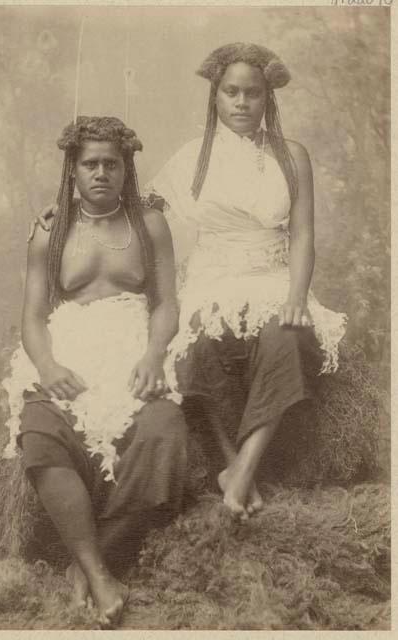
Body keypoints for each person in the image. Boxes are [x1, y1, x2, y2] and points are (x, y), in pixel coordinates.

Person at [30, 43, 346, 522]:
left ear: (268, 100)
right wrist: (70, 205)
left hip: (271, 274)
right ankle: (225, 461)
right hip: (212, 277)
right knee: (190, 351)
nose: (241, 103)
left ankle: (243, 470)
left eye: (253, 94)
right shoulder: (191, 157)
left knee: (287, 338)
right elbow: (134, 200)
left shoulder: (292, 156)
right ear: (215, 97)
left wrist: (297, 296)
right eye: (231, 92)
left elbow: (303, 234)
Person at [3, 116, 187, 627]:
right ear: (73, 170)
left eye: (112, 163)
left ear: (127, 170)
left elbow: (167, 302)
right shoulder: (50, 230)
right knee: (40, 432)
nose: (101, 172)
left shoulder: (150, 224)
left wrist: (154, 354)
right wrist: (48, 364)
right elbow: (33, 317)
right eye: (91, 164)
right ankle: (102, 574)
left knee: (164, 433)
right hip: (68, 349)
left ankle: (88, 564)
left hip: (133, 347)